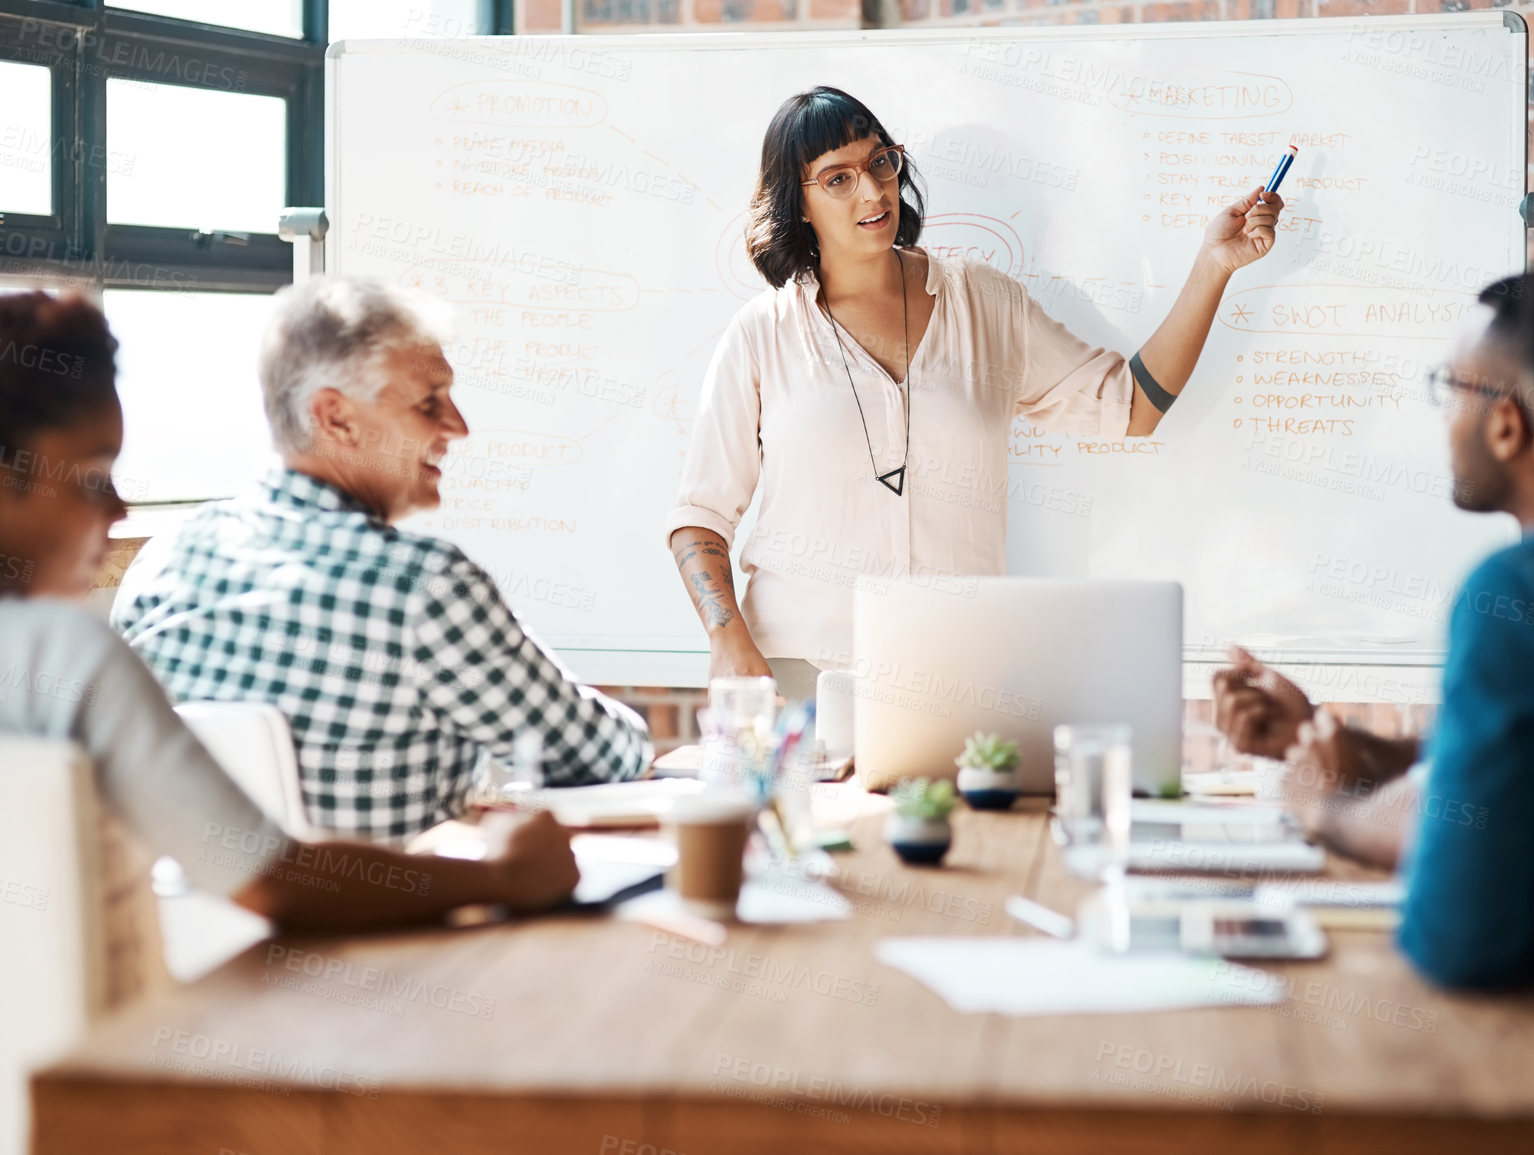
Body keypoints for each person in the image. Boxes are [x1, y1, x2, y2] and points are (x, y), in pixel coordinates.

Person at [0, 290, 581, 957]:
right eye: (94, 475)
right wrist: (503, 875)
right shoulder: (61, 657)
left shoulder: (154, 569)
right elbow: (272, 878)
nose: (120, 507)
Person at [666, 86, 1283, 698]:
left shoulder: (983, 302)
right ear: (797, 203)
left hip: (960, 668)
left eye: (880, 161)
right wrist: (728, 637)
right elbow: (700, 519)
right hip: (800, 671)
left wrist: (1213, 266)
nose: (873, 190)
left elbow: (1131, 406)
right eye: (837, 178)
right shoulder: (763, 333)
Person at [112, 277, 652, 843]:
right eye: (428, 403)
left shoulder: (159, 564)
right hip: (392, 924)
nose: (458, 427)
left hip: (207, 926)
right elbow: (600, 754)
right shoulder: (425, 589)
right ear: (336, 418)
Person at [1215, 274, 1534, 869]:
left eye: (1451, 387)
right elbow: (1497, 769)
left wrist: (1323, 807)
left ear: (1506, 424)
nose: (1442, 417)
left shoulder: (1521, 595)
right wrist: (1330, 741)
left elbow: (1457, 919)